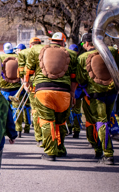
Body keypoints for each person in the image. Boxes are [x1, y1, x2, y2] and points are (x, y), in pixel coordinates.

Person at [26, 32, 78, 161]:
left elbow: (28, 72)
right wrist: (72, 94)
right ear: (63, 42)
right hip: (64, 93)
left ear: (51, 41)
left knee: (47, 121)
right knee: (60, 122)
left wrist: (27, 84)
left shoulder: (36, 51)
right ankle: (60, 148)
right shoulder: (72, 54)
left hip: (43, 91)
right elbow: (75, 78)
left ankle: (50, 152)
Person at [76, 33, 119, 165]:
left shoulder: (82, 57)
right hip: (112, 91)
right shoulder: (112, 51)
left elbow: (80, 79)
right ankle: (104, 150)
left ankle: (107, 154)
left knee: (101, 122)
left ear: (86, 43)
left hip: (96, 95)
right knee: (106, 121)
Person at [0, 42, 30, 137]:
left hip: (3, 89)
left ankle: (4, 129)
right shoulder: (18, 57)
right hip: (16, 89)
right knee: (17, 109)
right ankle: (18, 128)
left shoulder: (0, 58)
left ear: (4, 50)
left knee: (3, 110)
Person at [18, 37, 43, 147]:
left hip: (31, 84)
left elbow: (22, 70)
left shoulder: (23, 53)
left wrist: (24, 83)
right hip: (44, 83)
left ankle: (39, 138)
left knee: (35, 110)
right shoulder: (45, 49)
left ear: (30, 45)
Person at [68, 44, 83, 138]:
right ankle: (76, 130)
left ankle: (69, 127)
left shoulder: (66, 61)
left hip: (68, 89)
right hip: (78, 90)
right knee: (77, 111)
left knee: (67, 109)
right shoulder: (80, 61)